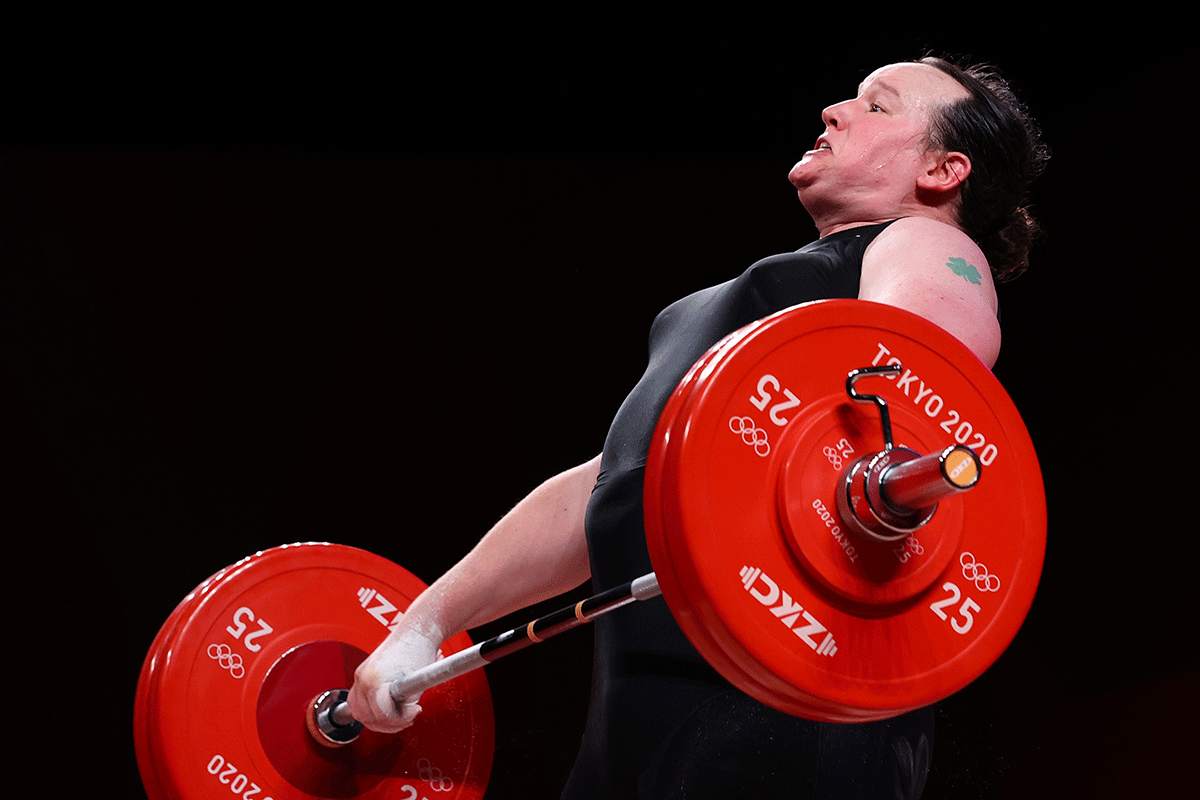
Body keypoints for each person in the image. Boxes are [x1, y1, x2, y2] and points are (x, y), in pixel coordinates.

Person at [348, 55, 1048, 799]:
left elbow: (921, 383)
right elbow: (612, 484)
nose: (834, 111)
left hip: (797, 709)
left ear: (943, 170)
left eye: (877, 105)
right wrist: (425, 624)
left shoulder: (927, 246)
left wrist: (882, 475)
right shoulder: (757, 314)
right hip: (646, 720)